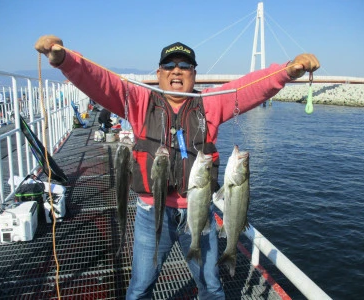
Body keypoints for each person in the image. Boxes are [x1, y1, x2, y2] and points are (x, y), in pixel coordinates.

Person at [35, 35, 319, 299]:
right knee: (140, 286)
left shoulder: (210, 103)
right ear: (158, 74)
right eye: (168, 65)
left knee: (211, 285)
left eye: (185, 66)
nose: (176, 71)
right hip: (150, 211)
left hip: (199, 210)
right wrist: (65, 60)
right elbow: (103, 81)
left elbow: (249, 87)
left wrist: (288, 71)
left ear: (194, 74)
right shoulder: (139, 100)